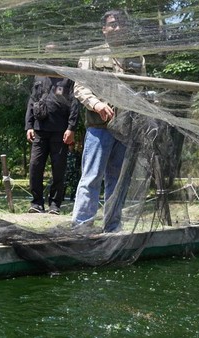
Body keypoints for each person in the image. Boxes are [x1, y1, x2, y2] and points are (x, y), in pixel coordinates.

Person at [71, 10, 146, 232]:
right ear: (104, 29)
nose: (118, 28)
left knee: (118, 181)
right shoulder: (91, 55)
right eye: (113, 24)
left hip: (125, 130)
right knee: (91, 178)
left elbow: (141, 92)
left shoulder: (137, 58)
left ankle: (112, 227)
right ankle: (82, 227)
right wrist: (97, 104)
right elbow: (80, 87)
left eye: (122, 24)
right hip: (99, 128)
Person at [25, 49, 80, 214]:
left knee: (59, 169)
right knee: (35, 166)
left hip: (60, 131)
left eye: (55, 52)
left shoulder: (67, 78)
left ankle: (55, 204)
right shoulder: (39, 76)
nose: (52, 55)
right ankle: (36, 203)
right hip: (39, 130)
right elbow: (32, 101)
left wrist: (71, 128)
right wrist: (28, 126)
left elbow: (74, 104)